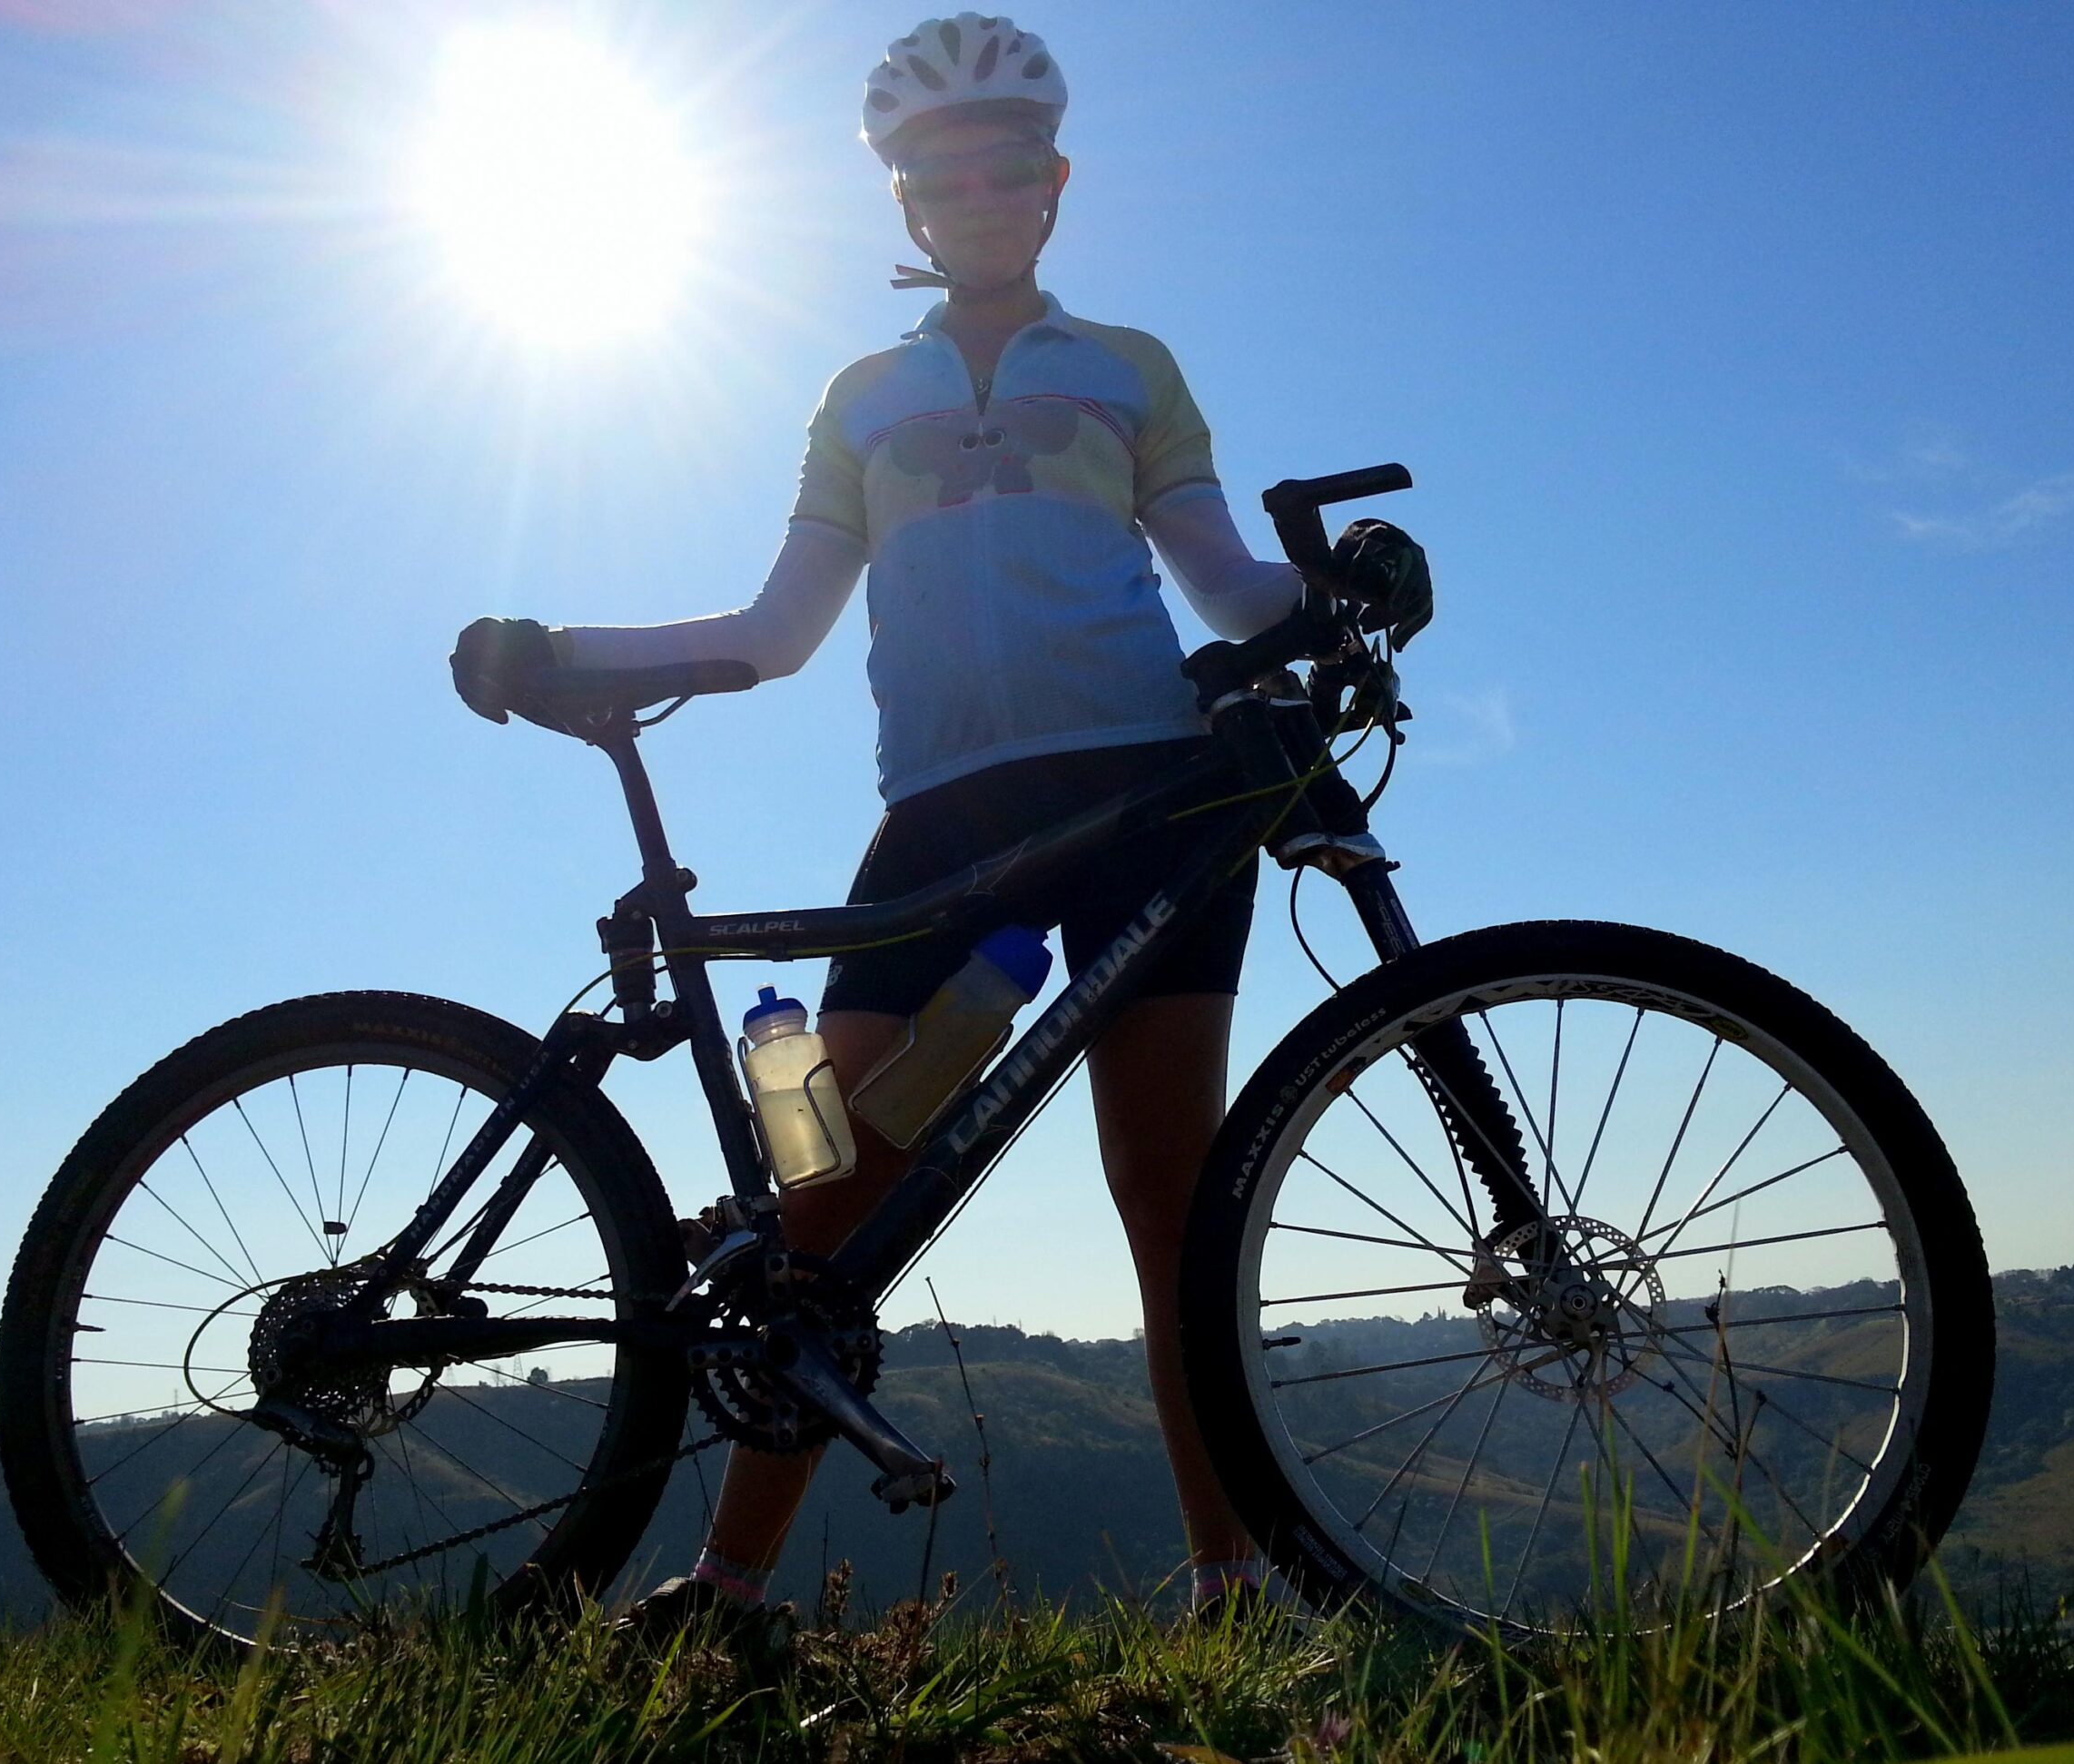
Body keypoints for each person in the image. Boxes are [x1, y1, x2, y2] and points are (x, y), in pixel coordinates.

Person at [451, 13, 1427, 1635]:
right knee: (827, 1195)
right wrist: (565, 650)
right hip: (943, 818)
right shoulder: (858, 394)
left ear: (1055, 184)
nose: (974, 193)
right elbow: (774, 634)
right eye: (937, 173)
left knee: (1171, 1196)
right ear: (905, 202)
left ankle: (1231, 1586)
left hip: (1147, 794)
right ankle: (732, 1582)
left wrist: (1344, 587)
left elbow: (1226, 581)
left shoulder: (1129, 365)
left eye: (1007, 167)